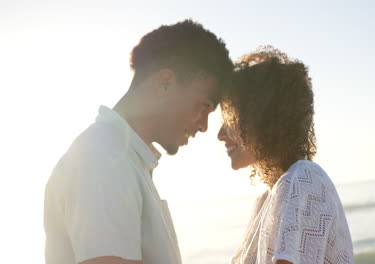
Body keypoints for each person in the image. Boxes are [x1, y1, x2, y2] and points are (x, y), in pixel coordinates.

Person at [44, 19, 233, 264]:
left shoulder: (122, 157)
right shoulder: (105, 157)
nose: (204, 126)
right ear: (164, 83)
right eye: (204, 107)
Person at [218, 46, 353, 264]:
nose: (220, 134)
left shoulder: (303, 179)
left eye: (230, 119)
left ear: (264, 119)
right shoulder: (269, 196)